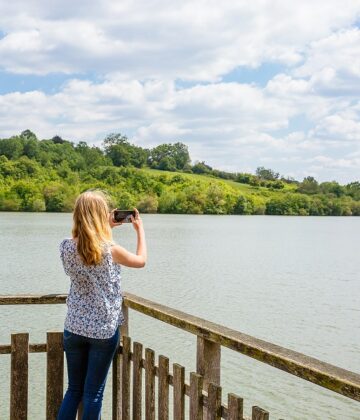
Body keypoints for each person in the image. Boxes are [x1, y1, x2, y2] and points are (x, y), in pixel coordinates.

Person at [57, 190, 147, 420]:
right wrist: (140, 230)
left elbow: (87, 245)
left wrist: (104, 228)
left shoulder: (66, 247)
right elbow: (141, 261)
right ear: (101, 216)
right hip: (102, 330)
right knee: (93, 393)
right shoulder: (110, 250)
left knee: (73, 389)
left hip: (74, 327)